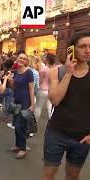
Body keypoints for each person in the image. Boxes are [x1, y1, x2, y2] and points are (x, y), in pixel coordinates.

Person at [42, 30, 90, 180]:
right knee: (48, 174)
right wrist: (69, 73)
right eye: (83, 46)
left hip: (82, 137)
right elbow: (55, 100)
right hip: (56, 133)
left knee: (73, 175)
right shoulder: (56, 72)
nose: (88, 50)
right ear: (72, 49)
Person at [8, 51, 34, 159]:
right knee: (16, 124)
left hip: (25, 102)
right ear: (17, 59)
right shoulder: (15, 72)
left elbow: (31, 88)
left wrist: (32, 104)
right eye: (20, 58)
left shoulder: (29, 72)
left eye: (24, 59)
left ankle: (23, 148)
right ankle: (18, 145)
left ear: (26, 61)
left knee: (20, 126)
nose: (22, 60)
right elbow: (14, 87)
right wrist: (10, 80)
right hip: (16, 101)